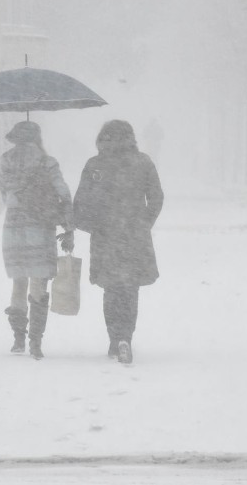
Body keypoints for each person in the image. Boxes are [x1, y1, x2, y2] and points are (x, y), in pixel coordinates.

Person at [73, 120, 163, 364]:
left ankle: (114, 339)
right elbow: (156, 197)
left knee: (111, 289)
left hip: (105, 237)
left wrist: (91, 224)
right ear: (131, 138)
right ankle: (126, 338)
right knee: (130, 288)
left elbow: (81, 202)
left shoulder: (95, 165)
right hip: (134, 237)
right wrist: (144, 222)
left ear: (103, 138)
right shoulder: (143, 163)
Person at [0, 120, 74, 360]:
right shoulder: (47, 162)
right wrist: (68, 225)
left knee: (18, 281)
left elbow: (4, 193)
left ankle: (18, 338)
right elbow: (63, 193)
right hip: (40, 226)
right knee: (39, 282)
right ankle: (36, 342)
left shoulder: (6, 160)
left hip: (14, 226)